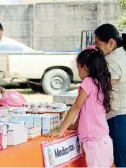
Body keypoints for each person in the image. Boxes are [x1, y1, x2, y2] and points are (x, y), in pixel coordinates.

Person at [48, 47, 114, 167]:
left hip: (95, 143)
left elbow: (76, 107)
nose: (78, 71)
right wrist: (75, 125)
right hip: (101, 140)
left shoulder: (88, 82)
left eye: (78, 67)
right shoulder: (100, 83)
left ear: (85, 68)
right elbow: (85, 110)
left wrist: (61, 129)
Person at [94, 23, 126, 167]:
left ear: (111, 43)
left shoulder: (111, 60)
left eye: (97, 44)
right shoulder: (123, 55)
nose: (96, 48)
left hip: (118, 119)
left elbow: (102, 90)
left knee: (121, 162)